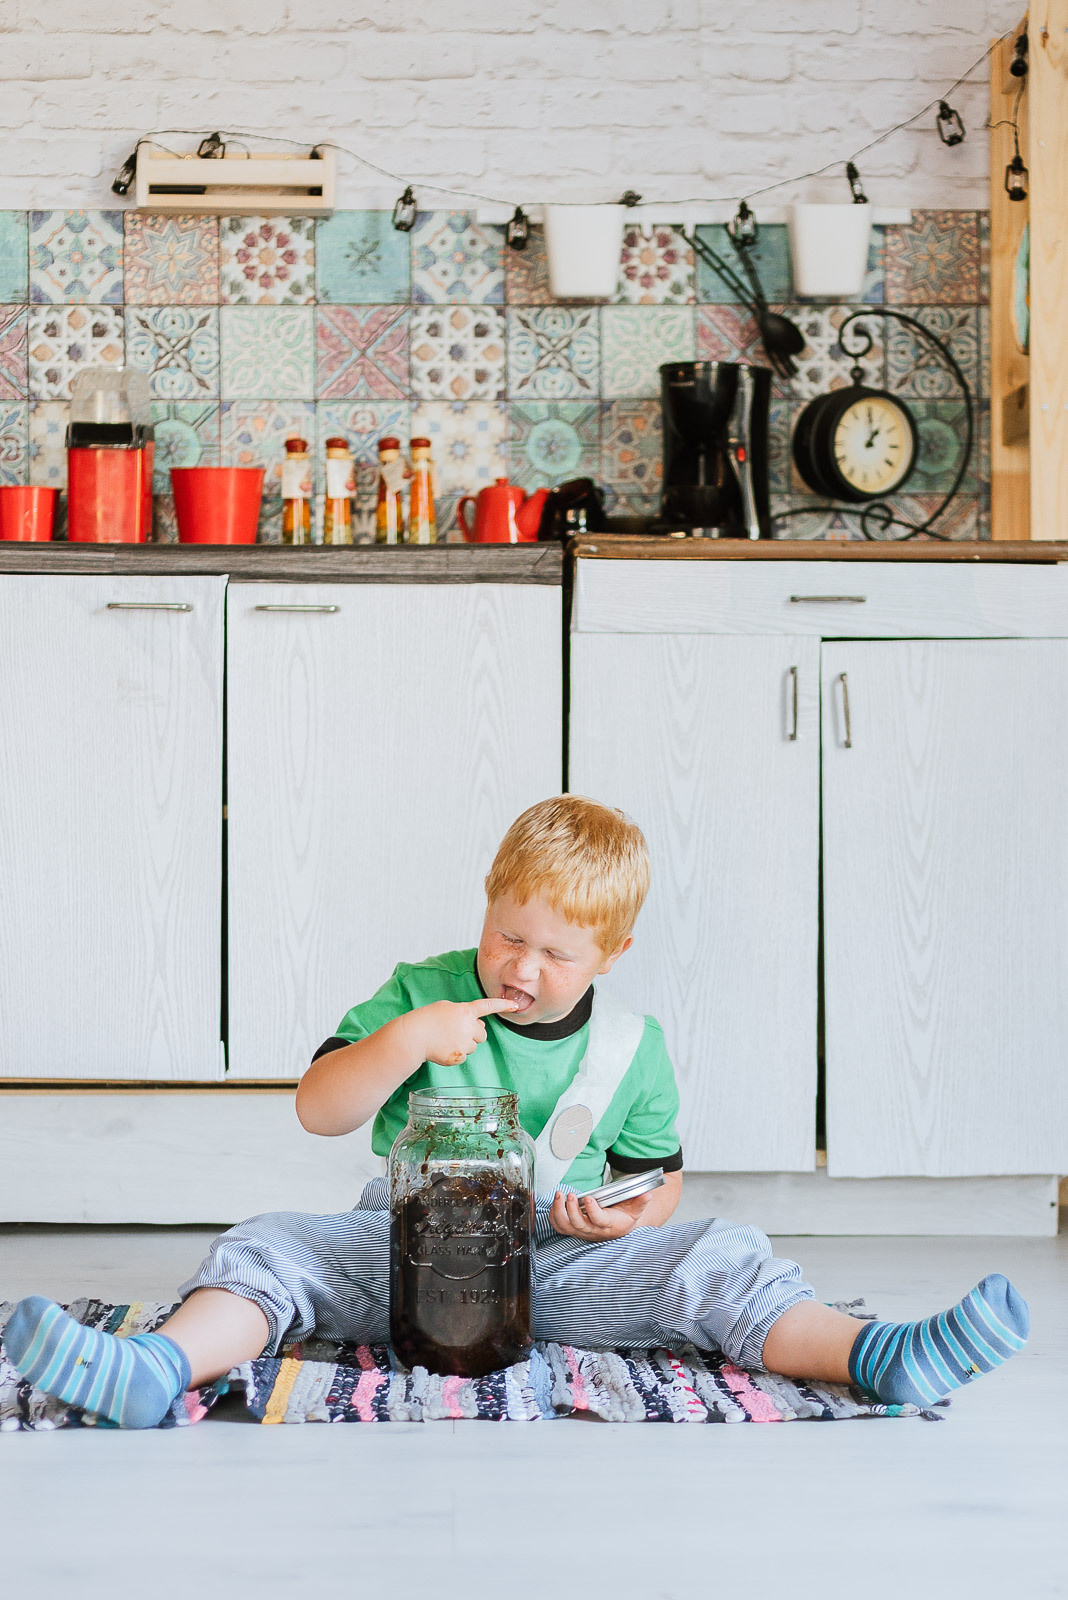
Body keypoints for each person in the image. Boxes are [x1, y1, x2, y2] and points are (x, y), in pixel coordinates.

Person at [3, 797, 1029, 1428]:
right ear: (485, 906)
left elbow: (659, 1179)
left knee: (727, 1252)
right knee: (271, 1245)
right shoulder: (419, 991)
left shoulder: (636, 1050)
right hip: (405, 1245)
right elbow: (320, 1109)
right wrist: (407, 1041)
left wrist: (632, 1215)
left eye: (557, 952)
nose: (523, 968)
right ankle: (157, 1370)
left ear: (611, 957)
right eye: (506, 935)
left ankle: (877, 1359)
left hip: (560, 1260)